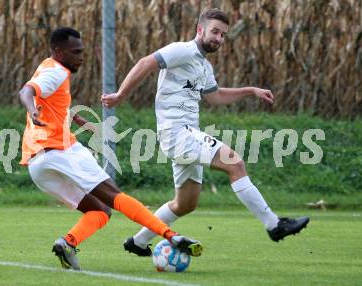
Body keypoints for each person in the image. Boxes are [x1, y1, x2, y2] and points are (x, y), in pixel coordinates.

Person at [101, 9, 309, 257]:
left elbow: (216, 96)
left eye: (223, 35)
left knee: (185, 204)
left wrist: (251, 90)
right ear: (200, 30)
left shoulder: (204, 66)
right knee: (236, 163)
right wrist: (120, 95)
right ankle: (274, 225)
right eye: (215, 32)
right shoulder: (183, 50)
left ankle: (138, 242)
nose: (219, 38)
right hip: (177, 133)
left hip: (187, 134)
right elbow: (146, 63)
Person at [18, 27, 203, 270]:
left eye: (82, 51)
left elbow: (52, 104)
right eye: (76, 52)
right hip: (60, 151)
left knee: (100, 211)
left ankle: (68, 243)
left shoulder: (48, 66)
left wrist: (79, 121)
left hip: (37, 164)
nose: (81, 57)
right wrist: (31, 109)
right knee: (115, 197)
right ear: (58, 51)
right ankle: (171, 235)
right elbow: (27, 91)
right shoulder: (57, 73)